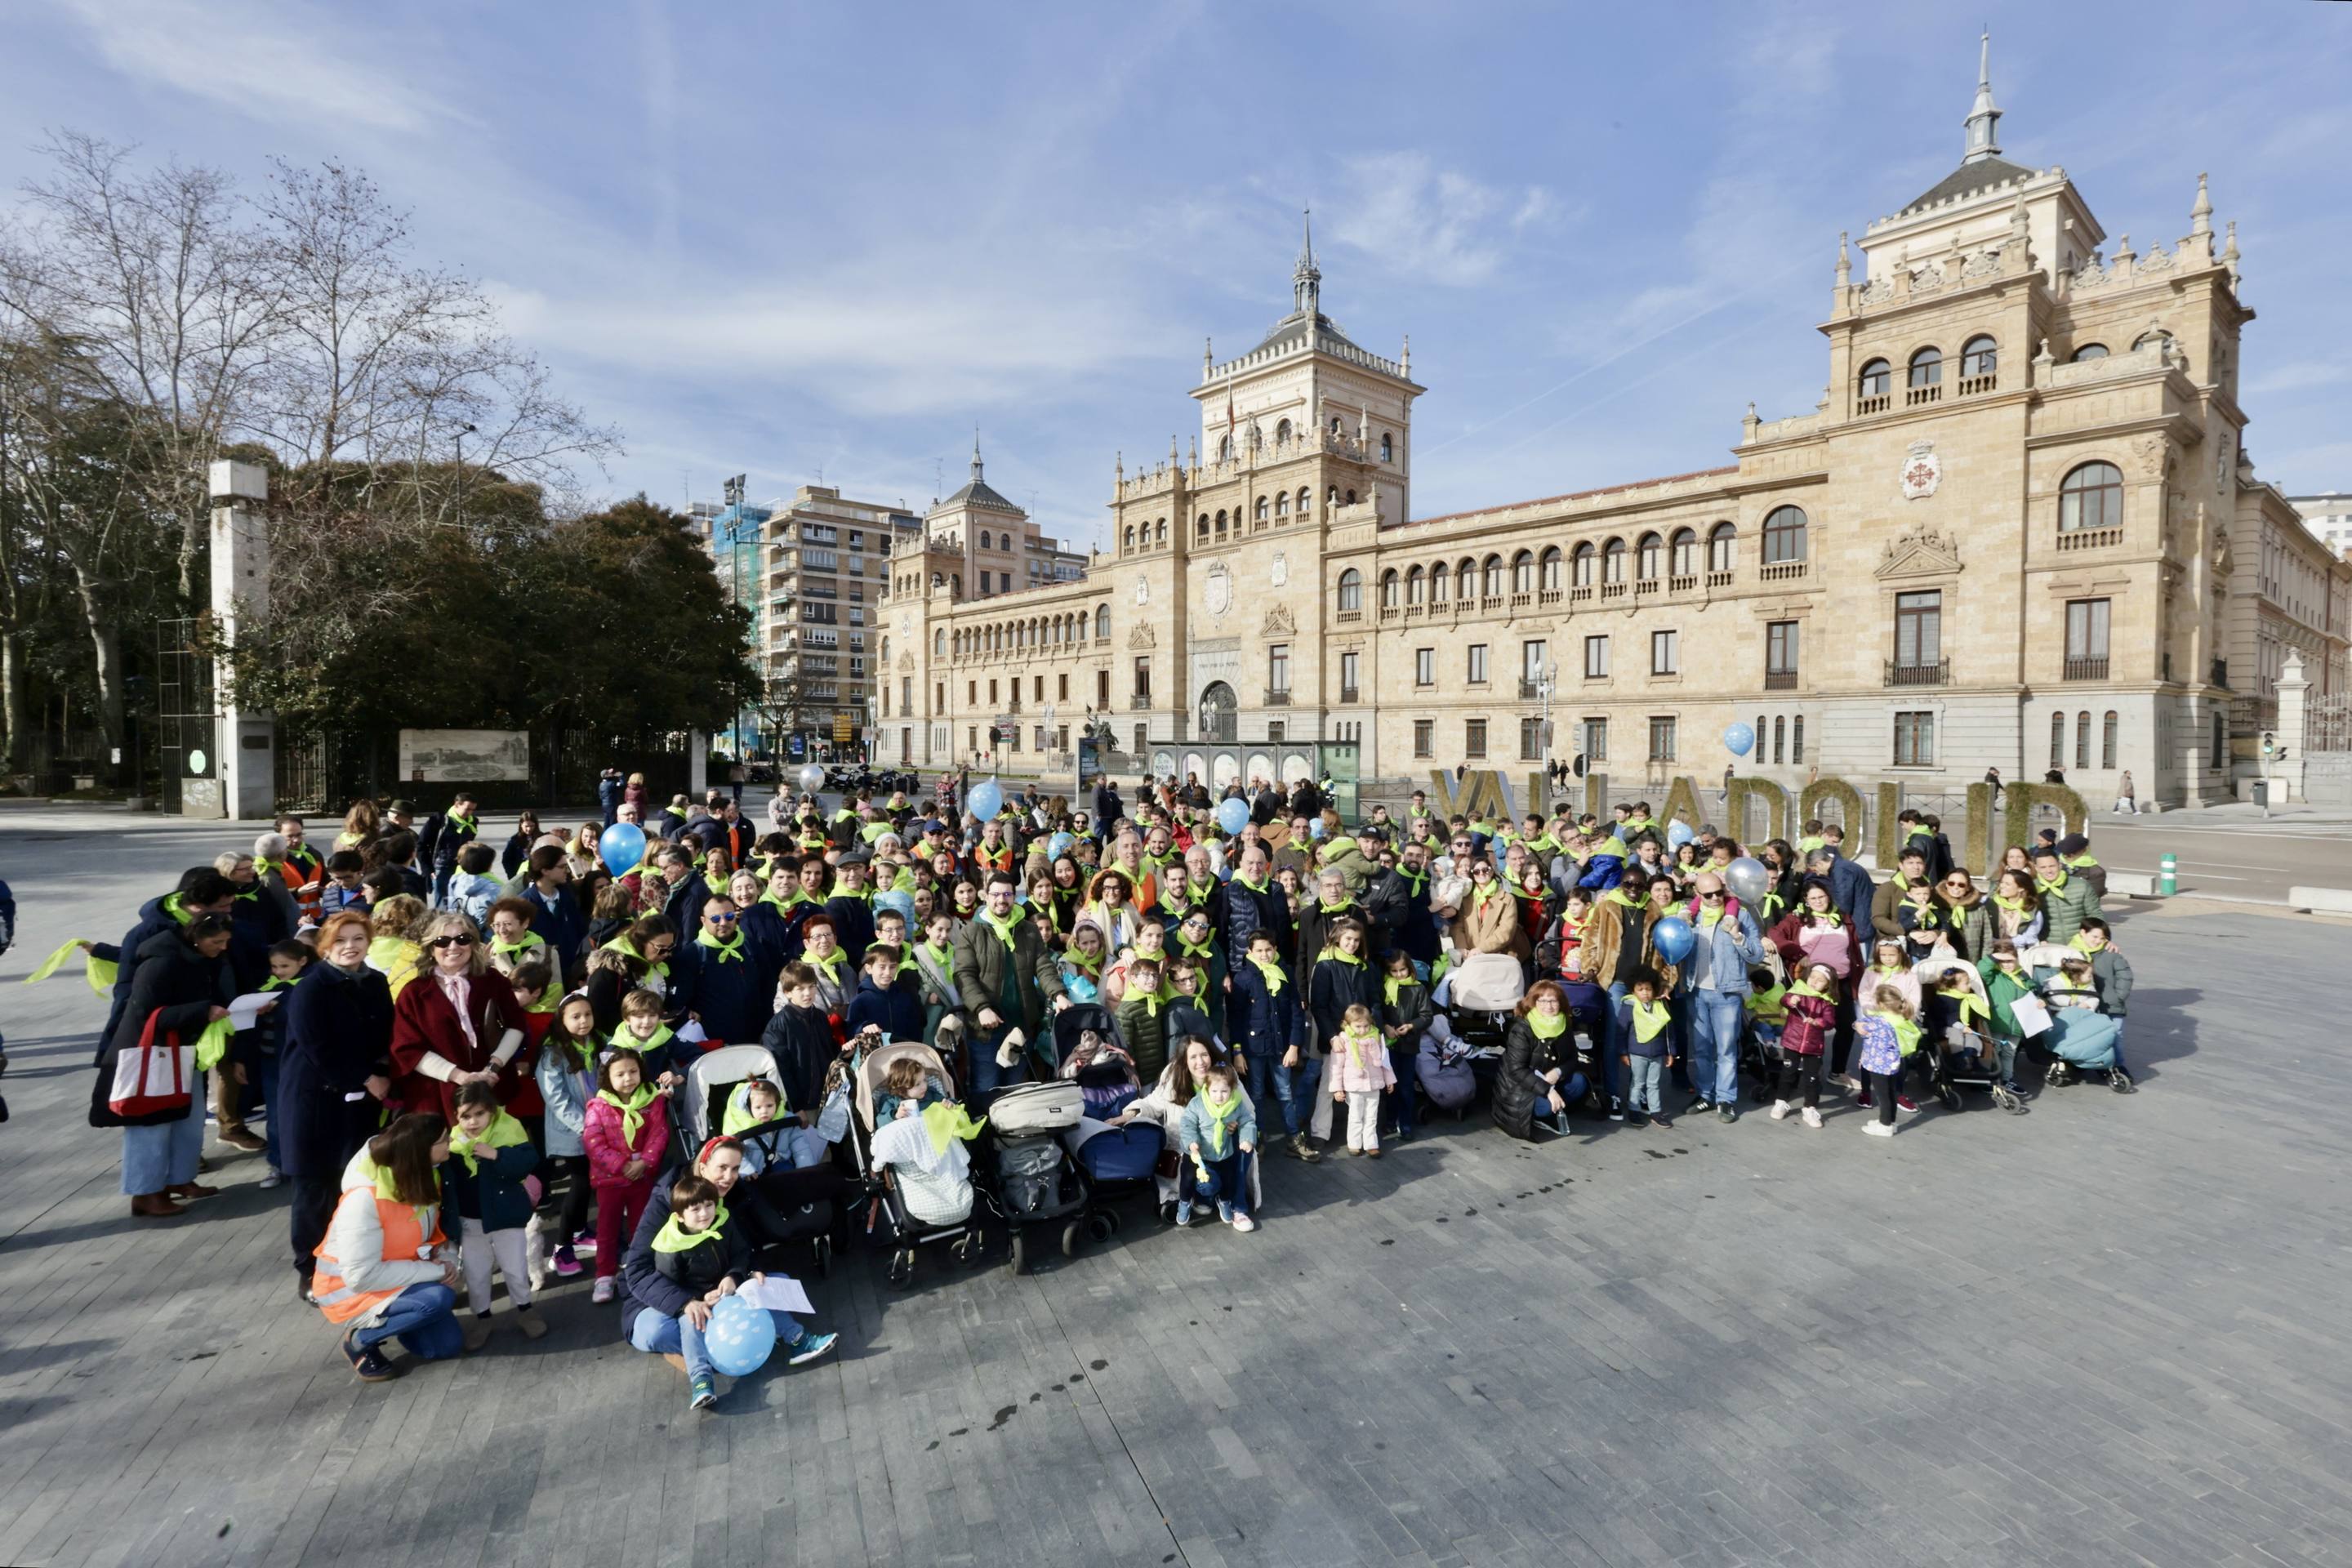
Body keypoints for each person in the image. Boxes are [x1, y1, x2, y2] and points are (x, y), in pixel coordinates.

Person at [620, 1171, 838, 1411]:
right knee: (690, 1321)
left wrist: (733, 1275)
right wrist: (699, 1299)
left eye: (708, 1205)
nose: (704, 1214)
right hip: (696, 1301)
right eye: (695, 1210)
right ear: (679, 1217)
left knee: (759, 1293)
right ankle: (701, 1380)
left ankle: (799, 1339)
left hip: (727, 1291)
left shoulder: (724, 1222)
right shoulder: (669, 1247)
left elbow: (741, 1253)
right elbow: (672, 1284)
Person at [101, 909, 237, 1219]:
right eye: (217, 941)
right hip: (153, 1054)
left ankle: (179, 1178)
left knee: (188, 1120)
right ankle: (146, 1193)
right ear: (196, 938)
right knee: (152, 1126)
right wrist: (204, 1010)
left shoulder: (203, 958)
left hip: (185, 1051)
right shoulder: (161, 962)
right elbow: (146, 1013)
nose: (222, 947)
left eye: (226, 941)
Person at [312, 1112, 466, 1383]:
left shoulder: (427, 1175)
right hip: (350, 1292)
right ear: (421, 1152)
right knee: (437, 1300)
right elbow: (360, 1277)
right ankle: (360, 1338)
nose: (450, 1142)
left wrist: (448, 1260)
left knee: (445, 1347)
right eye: (443, 1139)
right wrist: (435, 1272)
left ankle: (402, 1318)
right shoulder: (364, 1199)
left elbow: (433, 1235)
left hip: (396, 1279)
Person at [390, 913, 531, 1120]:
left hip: (492, 1088)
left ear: (473, 944)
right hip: (437, 1096)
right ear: (431, 948)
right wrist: (461, 1077)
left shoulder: (493, 981)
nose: (453, 947)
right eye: (443, 941)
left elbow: (516, 1025)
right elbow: (407, 1049)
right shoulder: (414, 993)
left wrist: (492, 1068)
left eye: (462, 939)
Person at [950, 871, 1067, 1107]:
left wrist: (1058, 994)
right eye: (996, 894)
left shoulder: (1028, 930)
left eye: (1007, 894)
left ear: (1015, 897)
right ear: (986, 897)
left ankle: (1011, 1140)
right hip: (986, 1030)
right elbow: (964, 975)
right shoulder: (972, 931)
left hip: (1021, 1025)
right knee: (987, 1087)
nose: (1001, 900)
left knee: (1016, 1089)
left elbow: (1043, 966)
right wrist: (981, 1008)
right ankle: (987, 1140)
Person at [443, 1080, 546, 1348]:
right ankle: (483, 1318)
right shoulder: (452, 1144)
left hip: (507, 1217)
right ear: (456, 1116)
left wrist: (497, 1155)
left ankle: (525, 1310)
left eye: (480, 1114)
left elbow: (527, 1162)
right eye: (466, 1116)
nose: (473, 1122)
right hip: (470, 1221)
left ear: (492, 1111)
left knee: (515, 1267)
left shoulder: (509, 1131)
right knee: (476, 1273)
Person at [585, 1048, 671, 1304]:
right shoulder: (598, 1106)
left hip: (642, 1177)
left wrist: (645, 1162)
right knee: (607, 1229)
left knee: (641, 1226)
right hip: (610, 1180)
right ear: (607, 1077)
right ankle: (604, 1275)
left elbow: (660, 1133)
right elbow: (593, 1142)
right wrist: (622, 1165)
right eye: (620, 1074)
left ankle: (639, 1271)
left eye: (633, 1071)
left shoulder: (653, 1100)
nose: (628, 1078)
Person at [1682, 872, 1766, 1122]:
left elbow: (1756, 953)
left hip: (1727, 992)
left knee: (1727, 1049)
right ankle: (1706, 1094)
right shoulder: (1690, 917)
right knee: (1701, 1048)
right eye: (1709, 895)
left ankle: (1725, 1099)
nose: (1716, 898)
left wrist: (1738, 937)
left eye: (1720, 892)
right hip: (1696, 992)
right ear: (1698, 895)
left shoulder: (1738, 915)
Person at [532, 991, 599, 1281]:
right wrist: (587, 1126)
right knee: (581, 1184)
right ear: (562, 1020)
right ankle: (561, 1248)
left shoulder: (599, 1044)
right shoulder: (553, 1053)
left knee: (590, 1182)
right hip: (574, 1133)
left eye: (587, 1014)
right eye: (575, 1016)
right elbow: (556, 1099)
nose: (583, 1021)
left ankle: (581, 1231)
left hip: (598, 1128)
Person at [1495, 980, 1585, 1140]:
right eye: (1542, 1001)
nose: (1548, 1006)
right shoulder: (1522, 1027)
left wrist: (1558, 1072)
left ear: (1560, 1002)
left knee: (1579, 1083)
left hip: (1551, 1079)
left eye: (1553, 1001)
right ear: (1533, 1002)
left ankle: (1555, 1105)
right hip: (1521, 1086)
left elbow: (1573, 1058)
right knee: (1544, 1107)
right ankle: (1548, 1109)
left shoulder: (1564, 1022)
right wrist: (1548, 1090)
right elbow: (1517, 1070)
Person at [1176, 1062, 1258, 1232]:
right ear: (1207, 1088)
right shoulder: (1198, 1103)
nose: (1219, 1096)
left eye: (1224, 1091)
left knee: (1229, 1179)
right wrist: (1191, 1141)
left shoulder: (1236, 1104)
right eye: (1214, 1091)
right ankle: (1185, 1201)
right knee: (1189, 1179)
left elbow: (1247, 1121)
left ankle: (1224, 1200)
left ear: (1232, 1090)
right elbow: (1187, 1123)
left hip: (1223, 1153)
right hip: (1198, 1154)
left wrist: (1247, 1139)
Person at [1769, 963, 1839, 1128]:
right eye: (1813, 977)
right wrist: (1791, 1000)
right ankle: (1781, 1102)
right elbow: (1784, 1000)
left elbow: (1829, 1022)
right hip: (1792, 1041)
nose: (1814, 982)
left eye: (1820, 980)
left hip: (1814, 1046)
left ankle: (1810, 1108)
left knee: (1812, 1078)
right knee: (1788, 1073)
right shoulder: (1797, 991)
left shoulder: (1827, 1002)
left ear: (1828, 985)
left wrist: (1817, 1021)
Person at [2072, 918, 2136, 1092]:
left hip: (2111, 1005)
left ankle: (2117, 1065)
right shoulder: (2072, 953)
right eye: (2094, 937)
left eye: (2102, 938)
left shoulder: (2111, 954)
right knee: (2088, 1036)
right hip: (2085, 1005)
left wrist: (2118, 997)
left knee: (2115, 1035)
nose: (2098, 941)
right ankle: (2090, 1063)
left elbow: (2125, 976)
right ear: (2082, 933)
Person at [1326, 1002, 1396, 1157]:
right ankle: (1355, 1143)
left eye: (1365, 1026)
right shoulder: (1344, 1040)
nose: (1362, 1030)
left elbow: (1384, 1060)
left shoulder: (1376, 1037)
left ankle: (1371, 1144)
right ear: (1348, 1025)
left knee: (1372, 1116)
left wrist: (1389, 1080)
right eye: (1358, 1027)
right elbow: (1336, 1067)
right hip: (1355, 1086)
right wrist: (1338, 1088)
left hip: (1374, 1084)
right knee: (1355, 1116)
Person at [1375, 948, 1428, 1143]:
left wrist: (1412, 1026)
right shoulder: (1384, 987)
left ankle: (1406, 1124)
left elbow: (1426, 1016)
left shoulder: (1418, 989)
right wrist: (1385, 1026)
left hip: (1409, 1045)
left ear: (1410, 969)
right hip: (1389, 1045)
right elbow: (1378, 1011)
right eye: (1394, 971)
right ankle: (1390, 1120)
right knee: (1390, 1086)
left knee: (1406, 1086)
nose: (1399, 975)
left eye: (1402, 970)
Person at [1853, 988, 1920, 1138]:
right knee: (1891, 1093)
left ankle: (1885, 1126)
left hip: (1878, 1064)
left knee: (1882, 1095)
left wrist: (1857, 1024)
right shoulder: (1899, 1018)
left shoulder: (1880, 1021)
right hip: (1894, 1063)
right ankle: (1890, 1121)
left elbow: (1862, 1027)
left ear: (1881, 1004)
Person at [1616, 968, 1674, 1129]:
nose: (1645, 993)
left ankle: (1655, 1112)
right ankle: (1634, 1109)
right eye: (1640, 989)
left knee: (1654, 1083)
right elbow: (1621, 1031)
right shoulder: (1629, 1006)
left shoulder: (1661, 1005)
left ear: (1655, 989)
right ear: (1632, 990)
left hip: (1657, 1052)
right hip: (1637, 1053)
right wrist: (1623, 1052)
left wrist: (1670, 1052)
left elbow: (1669, 1030)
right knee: (1637, 1083)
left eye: (1648, 989)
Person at [2030, 846, 2098, 944]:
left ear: (2060, 865)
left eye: (2052, 866)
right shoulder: (2032, 888)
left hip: (2080, 944)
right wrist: (2039, 940)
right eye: (2043, 867)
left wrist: (2103, 937)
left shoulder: (2081, 886)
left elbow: (2095, 914)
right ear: (2036, 868)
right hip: (2047, 946)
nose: (2048, 871)